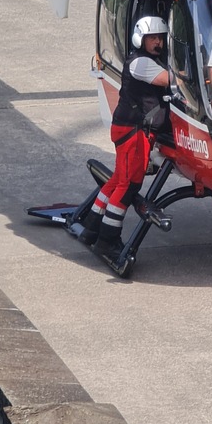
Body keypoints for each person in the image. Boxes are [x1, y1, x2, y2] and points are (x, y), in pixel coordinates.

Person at [74, 16, 170, 263]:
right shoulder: (142, 64)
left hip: (128, 128)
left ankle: (92, 226)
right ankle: (107, 241)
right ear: (142, 39)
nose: (157, 43)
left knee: (118, 179)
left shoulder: (146, 60)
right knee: (128, 186)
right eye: (153, 39)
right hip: (133, 131)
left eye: (160, 38)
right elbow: (170, 81)